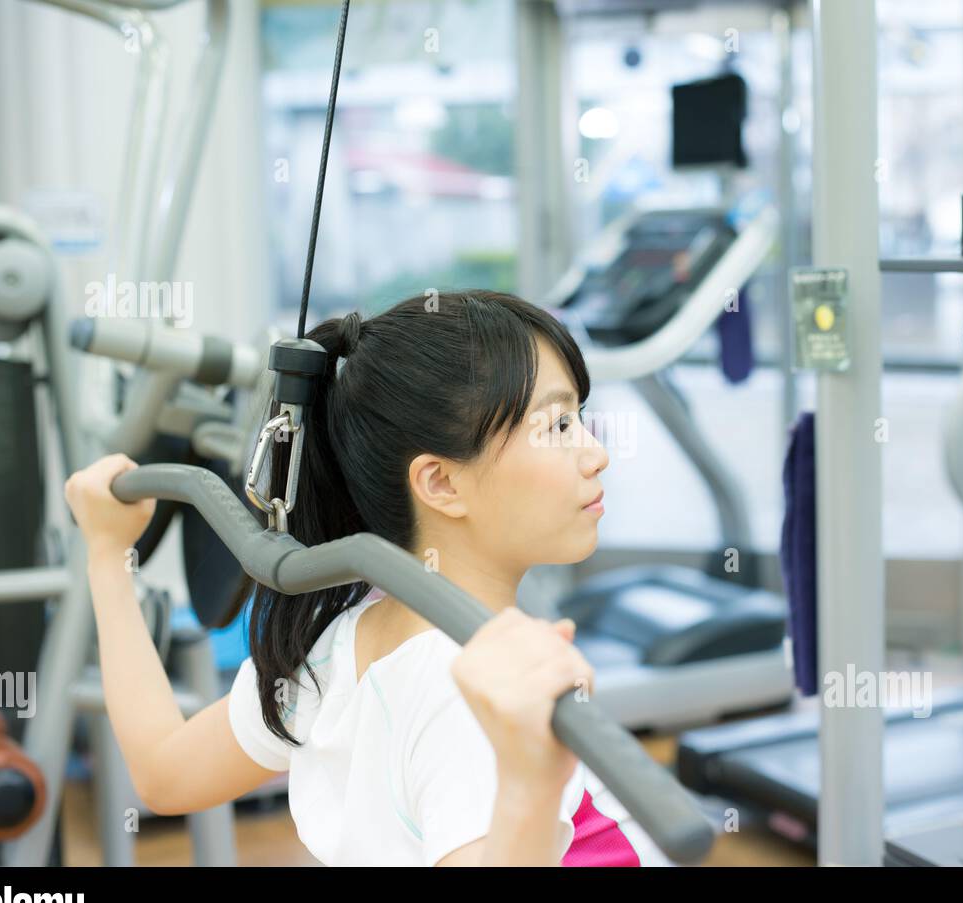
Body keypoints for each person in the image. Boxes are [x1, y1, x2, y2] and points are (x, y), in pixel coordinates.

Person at [64, 289, 667, 866]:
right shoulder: (463, 691)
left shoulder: (331, 647)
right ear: (441, 483)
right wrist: (530, 778)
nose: (596, 454)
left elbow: (163, 771)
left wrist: (106, 554)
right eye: (558, 427)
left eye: (580, 419)